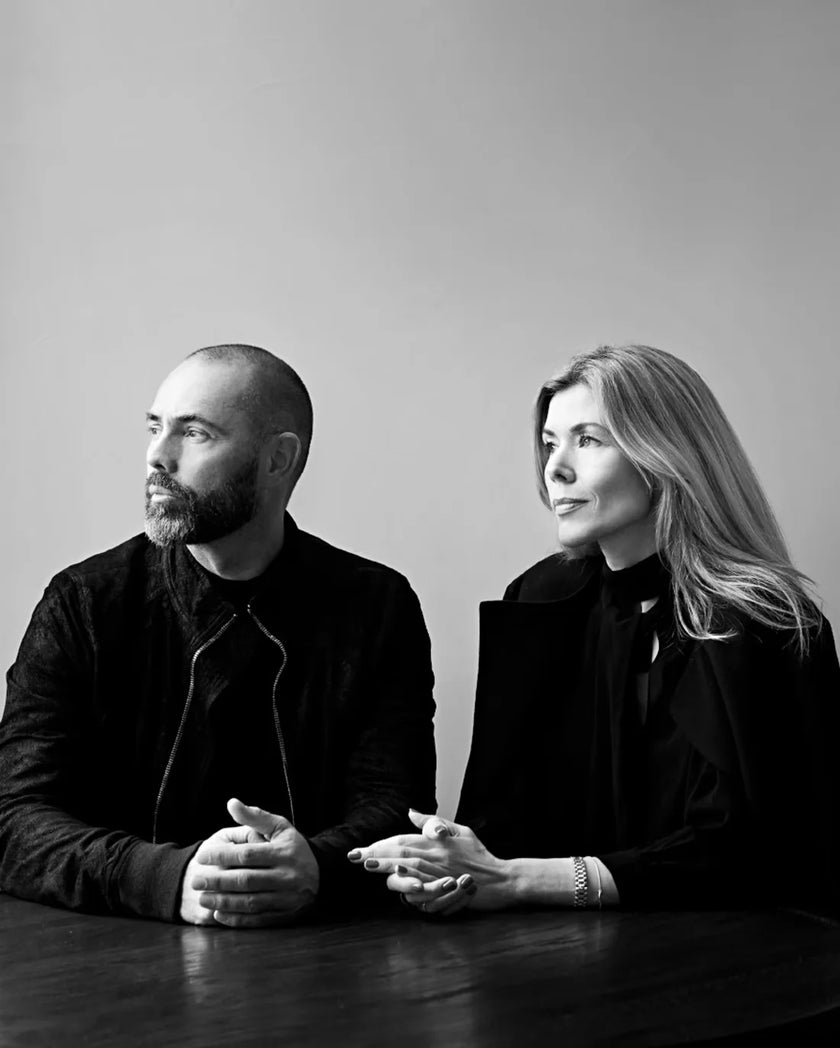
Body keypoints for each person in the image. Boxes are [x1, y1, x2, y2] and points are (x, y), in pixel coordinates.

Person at [351, 343, 840, 917]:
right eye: (549, 443)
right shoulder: (538, 600)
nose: (555, 468)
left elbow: (752, 852)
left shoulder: (767, 624)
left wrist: (523, 881)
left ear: (665, 455)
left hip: (728, 966)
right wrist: (455, 869)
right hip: (555, 961)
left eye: (588, 440)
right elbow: (502, 813)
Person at [0, 343, 436, 927]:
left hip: (325, 962)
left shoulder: (377, 606)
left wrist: (317, 867)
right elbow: (14, 814)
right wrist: (168, 878)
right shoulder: (83, 602)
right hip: (108, 965)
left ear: (277, 459)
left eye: (195, 434)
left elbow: (396, 807)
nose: (158, 456)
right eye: (155, 428)